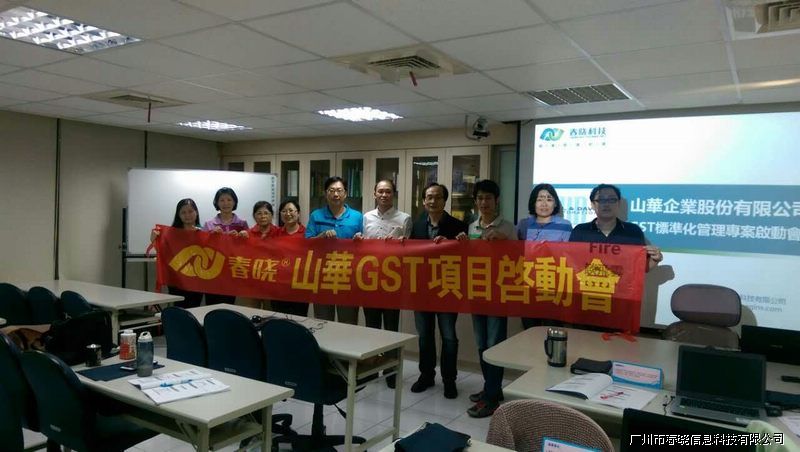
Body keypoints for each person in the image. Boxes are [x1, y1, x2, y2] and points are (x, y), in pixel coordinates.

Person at [456, 180, 515, 417]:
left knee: (494, 345)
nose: (484, 202)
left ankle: (491, 399)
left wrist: (504, 242)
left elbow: (518, 259)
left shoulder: (508, 228)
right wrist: (462, 244)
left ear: (496, 200)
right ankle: (491, 388)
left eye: (488, 198)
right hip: (477, 293)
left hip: (498, 295)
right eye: (480, 198)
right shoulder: (472, 226)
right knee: (482, 345)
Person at [410, 182, 467, 399]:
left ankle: (449, 379)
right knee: (425, 336)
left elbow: (466, 258)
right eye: (429, 197)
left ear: (445, 201)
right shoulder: (416, 226)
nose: (433, 201)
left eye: (438, 197)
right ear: (424, 201)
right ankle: (426, 375)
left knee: (449, 337)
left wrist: (456, 243)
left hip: (447, 290)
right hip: (422, 291)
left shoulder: (457, 226)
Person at [356, 179, 411, 388]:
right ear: (374, 194)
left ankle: (391, 370)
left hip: (392, 283)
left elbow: (410, 252)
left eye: (388, 191)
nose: (384, 195)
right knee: (371, 327)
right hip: (369, 282)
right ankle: (371, 367)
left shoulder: (404, 219)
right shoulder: (366, 217)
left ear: (393, 194)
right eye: (380, 191)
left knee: (390, 329)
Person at [305, 176, 363, 324]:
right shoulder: (316, 215)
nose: (335, 194)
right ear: (326, 193)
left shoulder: (357, 217)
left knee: (348, 323)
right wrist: (322, 235)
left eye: (339, 190)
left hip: (348, 277)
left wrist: (359, 239)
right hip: (322, 277)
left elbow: (366, 244)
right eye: (331, 190)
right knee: (323, 323)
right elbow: (307, 244)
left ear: (345, 193)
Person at [516, 183, 572, 329]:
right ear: (533, 202)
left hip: (553, 286)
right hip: (528, 285)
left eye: (549, 199)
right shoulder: (524, 224)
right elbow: (515, 251)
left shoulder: (565, 225)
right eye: (540, 199)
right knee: (529, 330)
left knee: (551, 328)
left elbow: (569, 255)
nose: (544, 203)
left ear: (555, 203)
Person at [569, 183, 663, 269]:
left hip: (622, 283)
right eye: (601, 200)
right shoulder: (580, 231)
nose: (606, 204)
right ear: (593, 205)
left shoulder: (633, 231)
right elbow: (571, 264)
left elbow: (640, 269)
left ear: (619, 203)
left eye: (612, 200)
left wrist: (655, 260)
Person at [151, 198, 204, 308]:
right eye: (183, 212)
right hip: (177, 279)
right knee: (179, 308)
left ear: (196, 212)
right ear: (178, 215)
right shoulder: (171, 233)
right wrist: (154, 240)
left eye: (190, 211)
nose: (187, 215)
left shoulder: (204, 232)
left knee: (194, 308)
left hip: (197, 280)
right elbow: (163, 252)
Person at [202, 187, 248, 305]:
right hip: (213, 272)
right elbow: (202, 247)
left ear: (234, 202)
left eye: (229, 200)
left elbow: (248, 248)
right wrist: (211, 236)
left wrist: (241, 237)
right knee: (211, 305)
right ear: (217, 203)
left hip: (232, 272)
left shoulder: (242, 224)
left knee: (229, 305)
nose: (225, 203)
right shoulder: (209, 224)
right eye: (222, 200)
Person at [271, 200, 309, 317]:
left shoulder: (307, 234)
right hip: (278, 287)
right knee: (279, 319)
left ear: (298, 213)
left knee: (298, 320)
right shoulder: (275, 233)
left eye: (291, 210)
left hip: (299, 287)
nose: (287, 214)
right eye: (284, 211)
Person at [239, 201, 277, 310]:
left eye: (266, 213)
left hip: (273, 282)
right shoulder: (247, 234)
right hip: (252, 283)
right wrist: (238, 240)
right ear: (254, 216)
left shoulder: (279, 233)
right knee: (250, 313)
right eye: (259, 213)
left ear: (271, 215)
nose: (263, 216)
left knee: (270, 314)